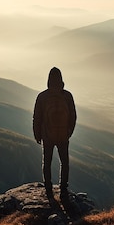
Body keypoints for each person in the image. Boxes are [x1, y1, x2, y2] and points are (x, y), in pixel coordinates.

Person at [33, 67, 77, 199]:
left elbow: (37, 117)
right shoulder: (67, 95)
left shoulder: (42, 96)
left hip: (47, 135)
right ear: (61, 79)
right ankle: (63, 188)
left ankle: (48, 188)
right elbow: (73, 116)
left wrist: (37, 134)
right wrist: (69, 132)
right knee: (64, 162)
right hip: (63, 135)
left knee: (47, 162)